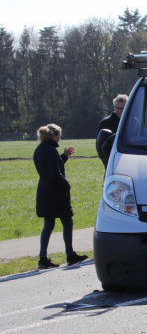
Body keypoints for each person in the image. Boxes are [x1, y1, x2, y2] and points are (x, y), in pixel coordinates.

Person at [33, 124, 88, 269]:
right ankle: (70, 254)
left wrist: (64, 157)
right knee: (67, 222)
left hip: (44, 190)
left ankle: (43, 257)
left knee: (48, 224)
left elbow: (51, 167)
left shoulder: (39, 150)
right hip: (55, 192)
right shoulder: (51, 151)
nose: (60, 138)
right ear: (53, 136)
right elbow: (55, 173)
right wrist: (66, 185)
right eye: (59, 136)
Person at [97, 94, 127, 168]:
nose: (120, 111)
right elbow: (101, 146)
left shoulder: (134, 122)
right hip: (112, 163)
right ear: (114, 107)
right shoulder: (106, 122)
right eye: (117, 108)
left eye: (123, 108)